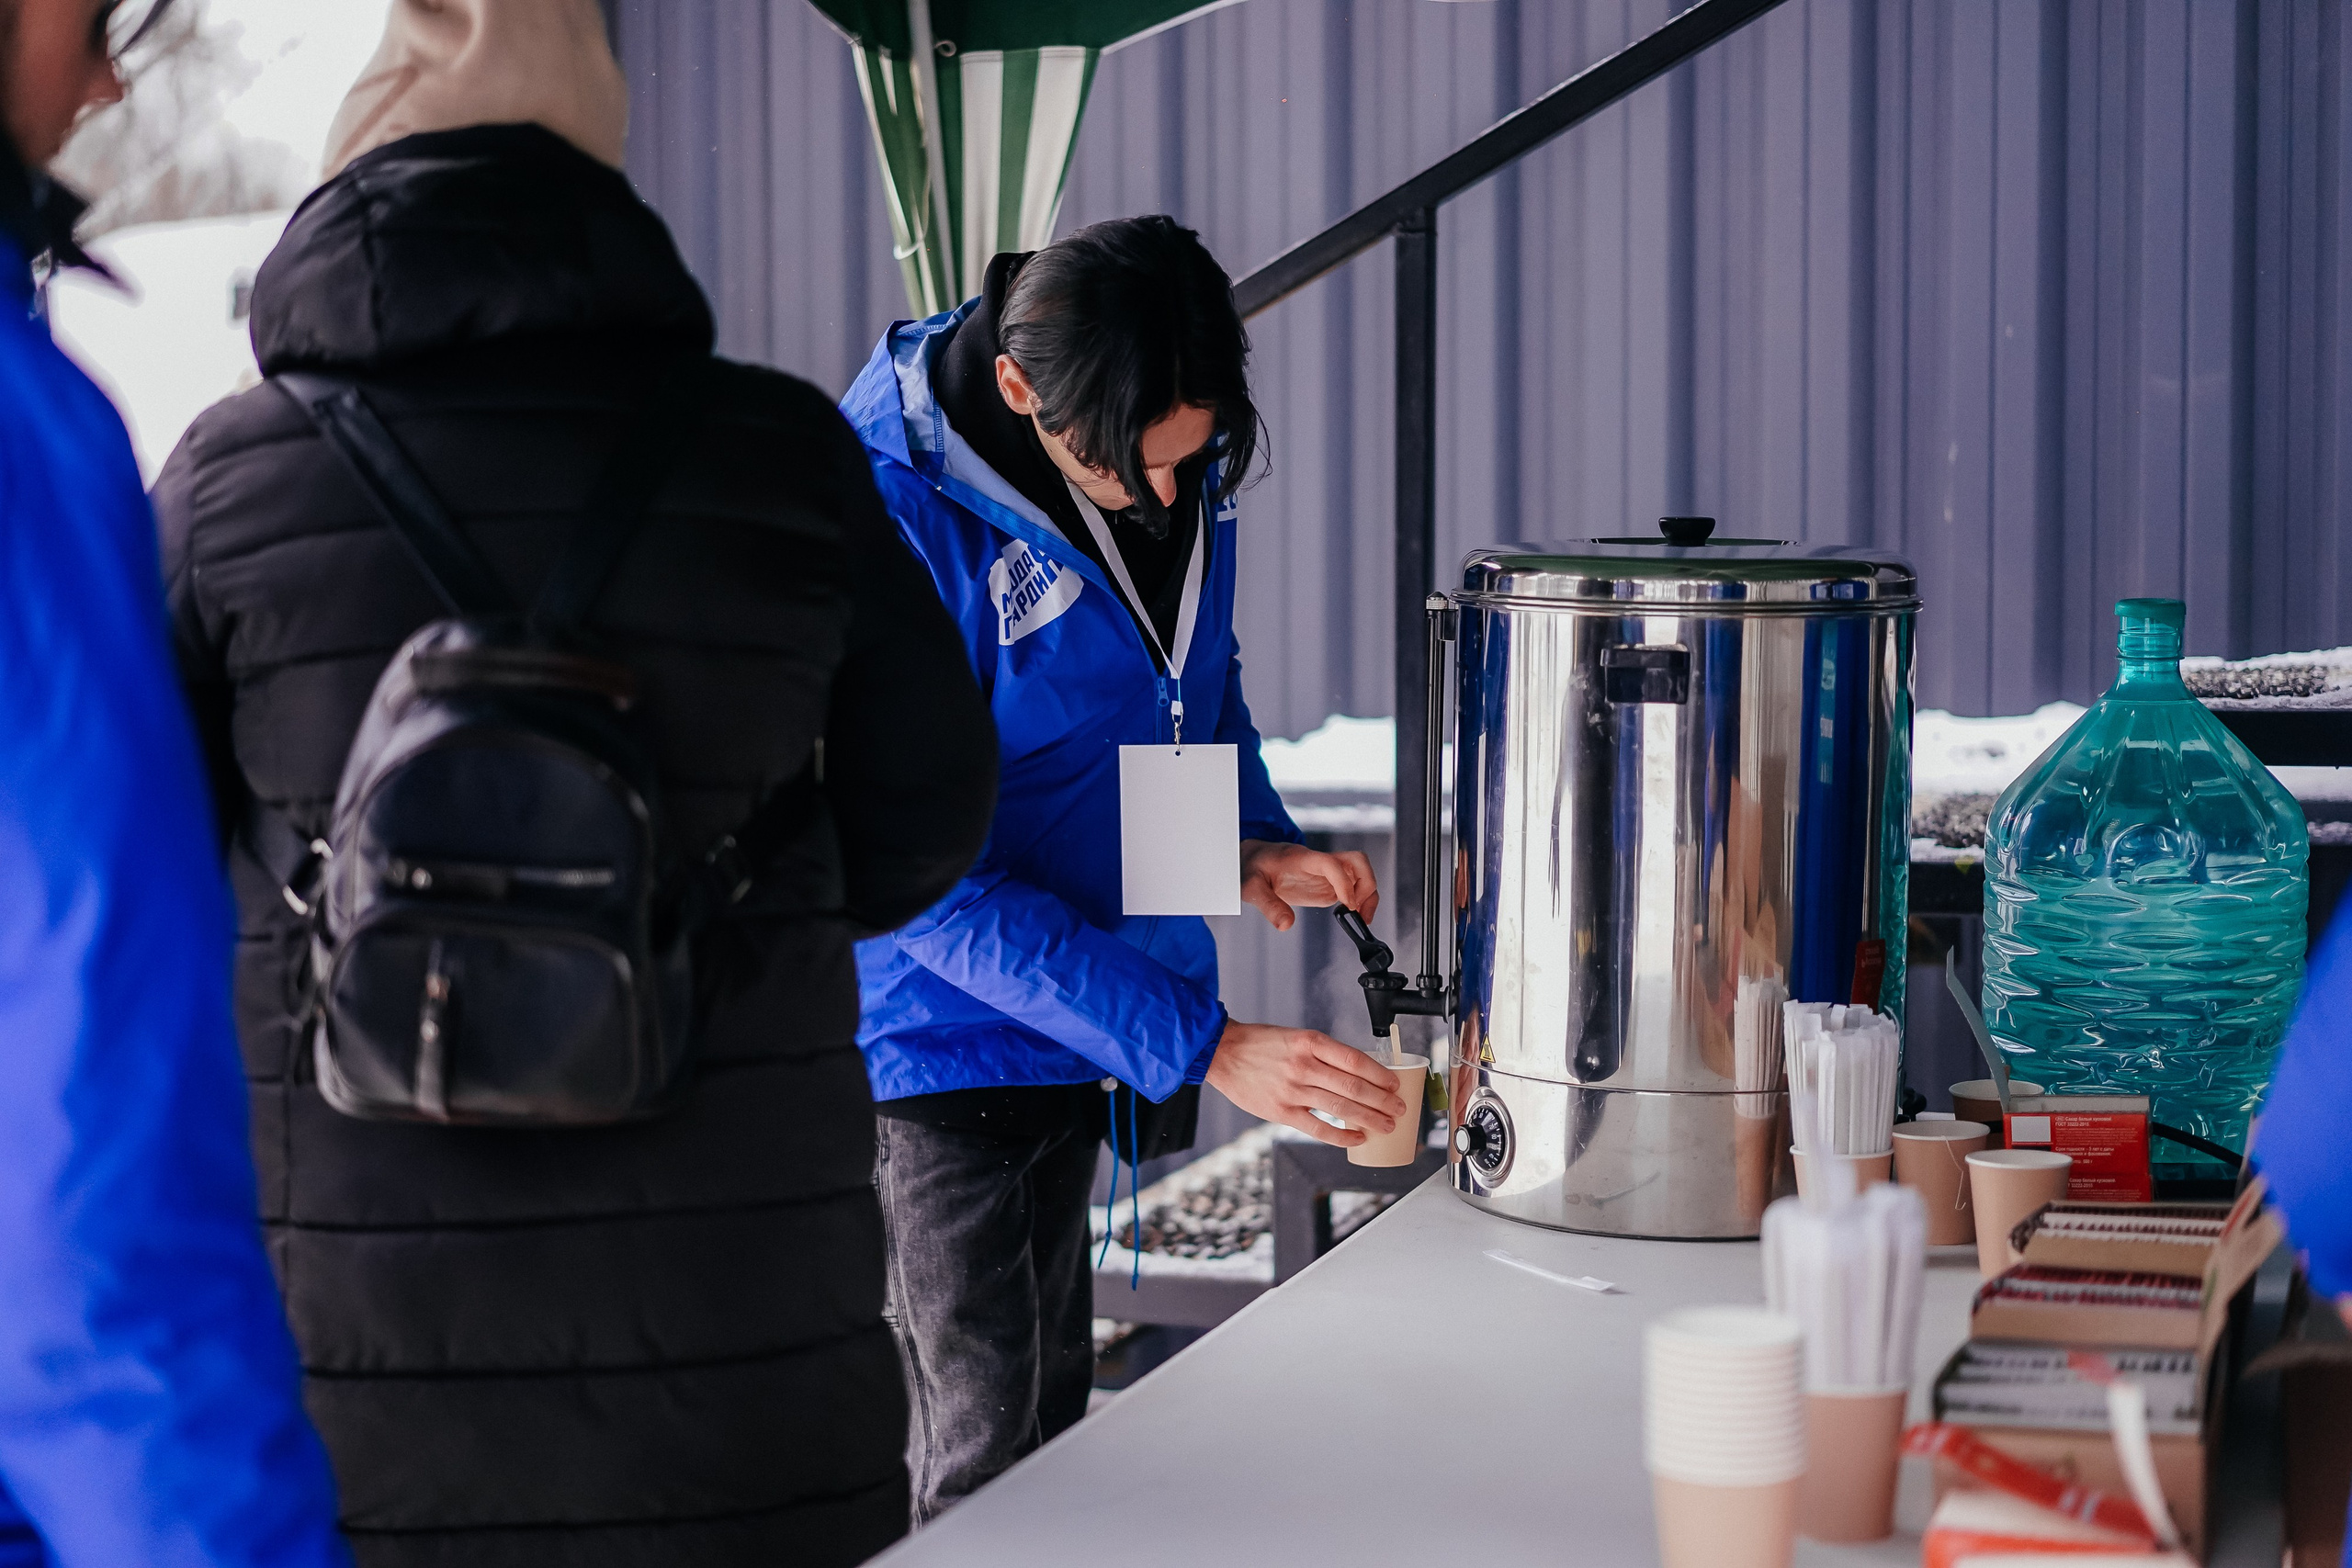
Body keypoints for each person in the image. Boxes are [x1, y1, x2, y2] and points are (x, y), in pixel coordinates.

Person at [150, 2, 998, 1562]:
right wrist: (723, 918)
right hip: (736, 1364)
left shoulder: (229, 476)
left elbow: (137, 857)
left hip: (359, 1344)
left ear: (347, 196)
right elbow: (934, 800)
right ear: (606, 194)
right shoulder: (779, 454)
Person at [843, 216, 1410, 1521]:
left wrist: (1240, 840)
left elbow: (1178, 684)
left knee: (1054, 1433)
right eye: (1137, 472)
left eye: (1191, 464)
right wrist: (1205, 1045)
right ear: (1020, 389)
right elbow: (921, 876)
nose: (1167, 500)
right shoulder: (885, 514)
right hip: (939, 1045)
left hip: (1082, 1022)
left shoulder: (1150, 448)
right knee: (984, 1465)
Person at [0, 2, 349, 1564]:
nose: (109, 75)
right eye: (90, 9)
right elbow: (79, 1112)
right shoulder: (28, 440)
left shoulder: (197, 474)